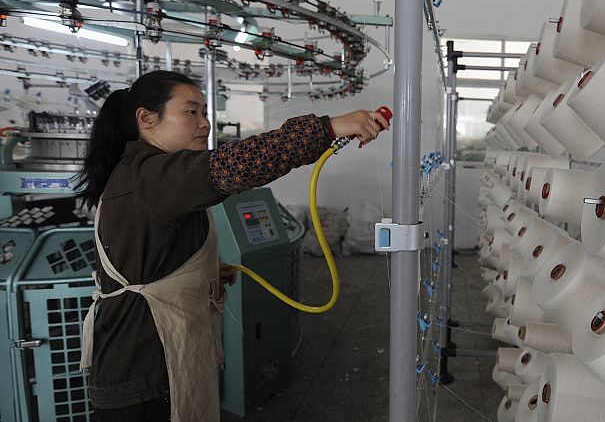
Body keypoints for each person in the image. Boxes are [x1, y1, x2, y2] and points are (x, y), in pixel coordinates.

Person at [76, 70, 389, 422]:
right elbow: (238, 164)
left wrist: (191, 275)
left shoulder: (146, 172)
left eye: (205, 112)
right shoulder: (151, 175)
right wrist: (328, 128)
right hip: (144, 364)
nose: (205, 123)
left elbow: (149, 252)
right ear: (146, 119)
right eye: (191, 112)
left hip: (149, 357)